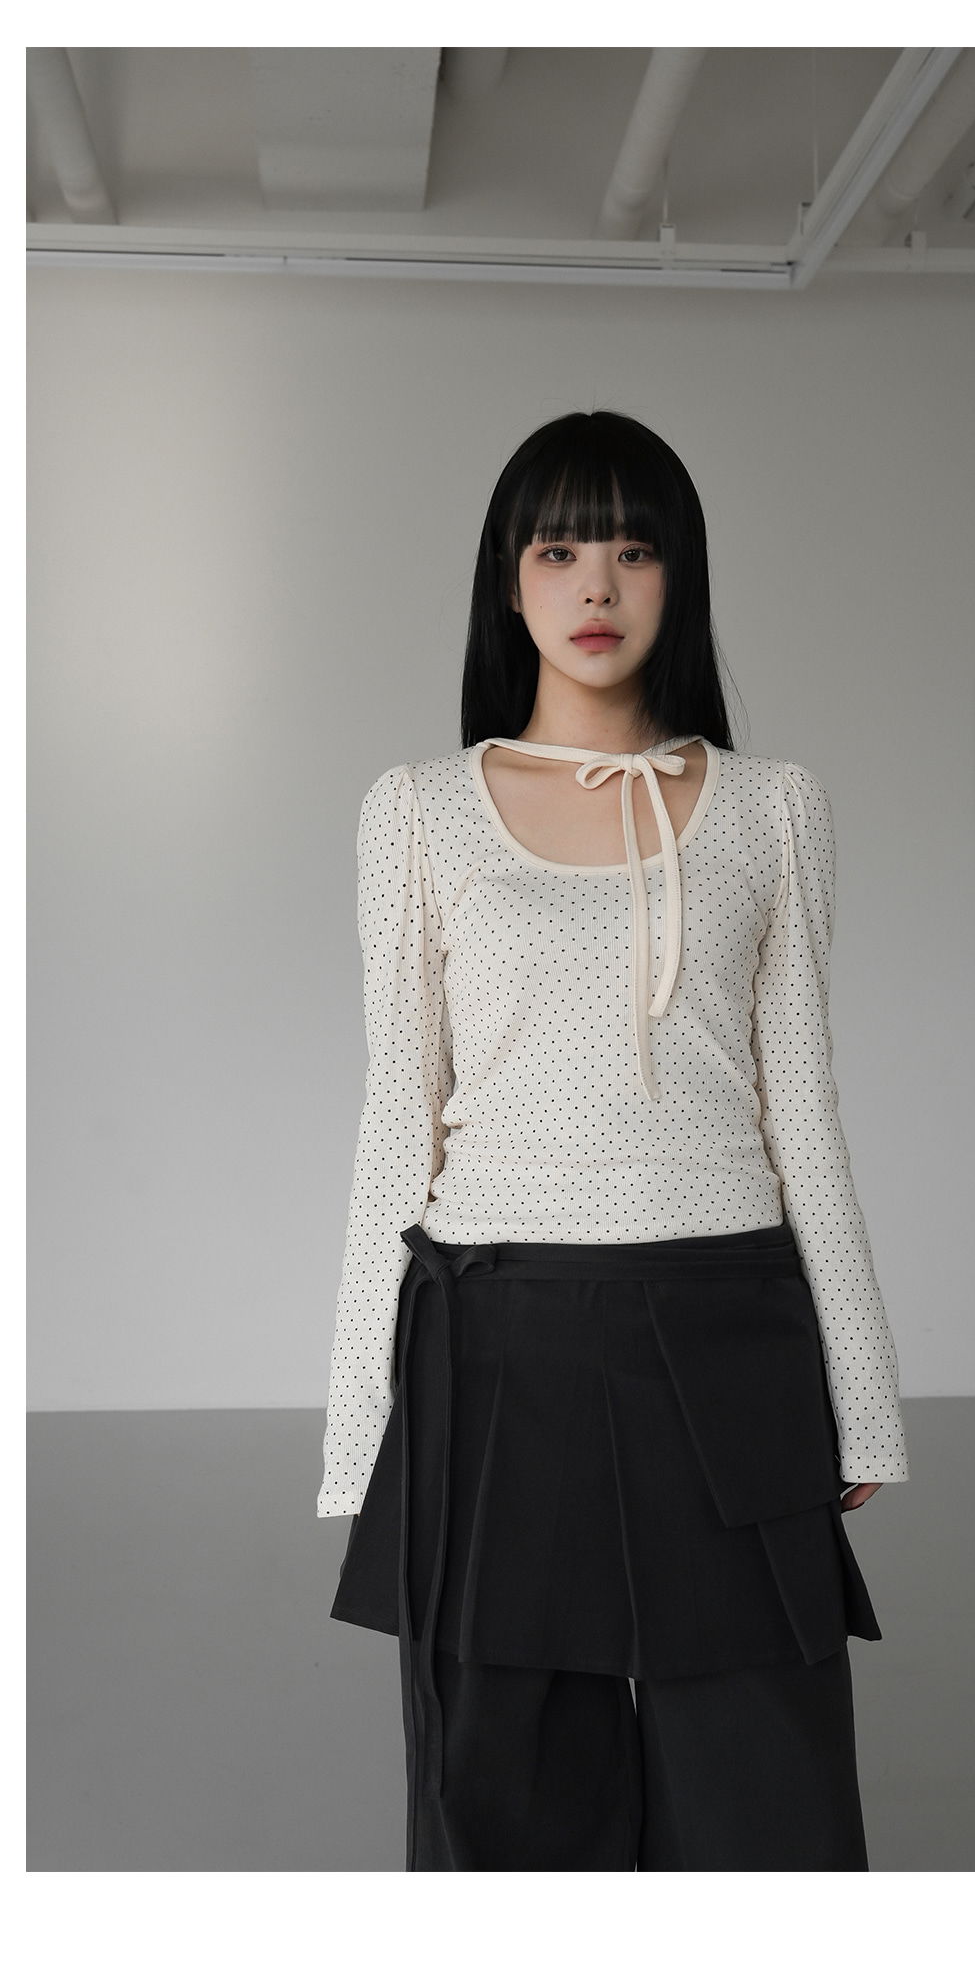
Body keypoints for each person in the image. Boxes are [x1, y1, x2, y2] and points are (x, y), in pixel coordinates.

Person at [320, 405, 907, 1867]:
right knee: (504, 1799)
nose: (597, 585)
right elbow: (395, 1120)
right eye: (560, 549)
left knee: (768, 1796)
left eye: (636, 550)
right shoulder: (419, 812)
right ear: (507, 579)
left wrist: (862, 1391)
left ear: (680, 575)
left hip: (726, 1324)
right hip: (493, 1335)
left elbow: (804, 1105)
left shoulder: (776, 808)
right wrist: (359, 1430)